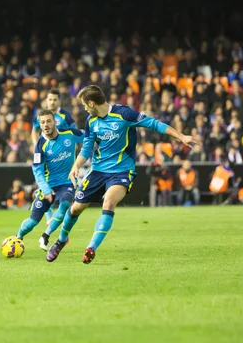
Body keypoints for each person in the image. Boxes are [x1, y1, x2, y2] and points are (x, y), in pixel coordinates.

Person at [46, 85, 201, 264]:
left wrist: (181, 137)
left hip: (121, 171)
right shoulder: (91, 122)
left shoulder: (124, 114)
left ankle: (91, 248)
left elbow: (154, 123)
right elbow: (87, 148)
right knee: (76, 208)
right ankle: (61, 241)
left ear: (92, 102)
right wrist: (75, 166)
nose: (85, 109)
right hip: (97, 171)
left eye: (85, 105)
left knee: (109, 202)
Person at [14, 109, 84, 251]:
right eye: (42, 122)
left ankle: (46, 235)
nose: (46, 125)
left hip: (67, 183)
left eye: (48, 121)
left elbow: (89, 136)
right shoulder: (40, 145)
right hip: (48, 186)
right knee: (31, 222)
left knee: (65, 203)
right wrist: (46, 189)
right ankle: (17, 238)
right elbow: (37, 171)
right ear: (40, 125)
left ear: (55, 122)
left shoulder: (69, 133)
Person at [31, 89, 77, 222]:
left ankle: (56, 212)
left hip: (62, 154)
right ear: (46, 100)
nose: (52, 102)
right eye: (49, 99)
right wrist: (36, 146)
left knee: (62, 187)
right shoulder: (40, 116)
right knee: (44, 180)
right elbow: (34, 131)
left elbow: (73, 132)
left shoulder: (66, 116)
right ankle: (49, 217)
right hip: (46, 153)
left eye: (54, 99)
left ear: (59, 101)